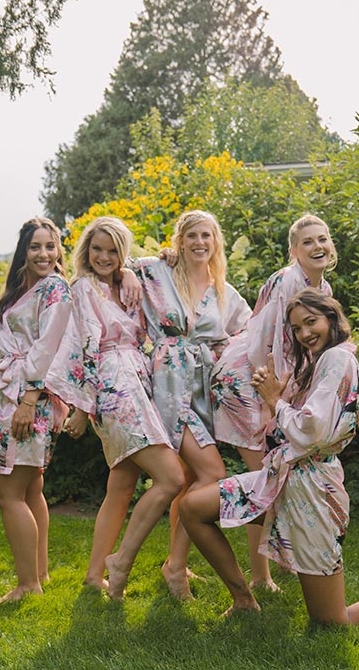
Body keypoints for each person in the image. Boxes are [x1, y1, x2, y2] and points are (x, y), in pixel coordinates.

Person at [181, 290, 359, 623]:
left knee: (332, 621)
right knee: (194, 507)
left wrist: (276, 401)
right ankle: (244, 599)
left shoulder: (338, 360)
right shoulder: (316, 363)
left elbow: (312, 430)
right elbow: (286, 432)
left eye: (310, 322)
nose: (304, 333)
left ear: (331, 317)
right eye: (297, 328)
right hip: (281, 478)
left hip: (312, 491)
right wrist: (274, 394)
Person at [59, 216, 186, 600]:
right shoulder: (82, 288)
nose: (104, 256)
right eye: (97, 248)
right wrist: (82, 407)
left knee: (122, 485)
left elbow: (166, 264)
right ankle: (121, 561)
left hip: (138, 377)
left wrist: (129, 271)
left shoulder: (127, 282)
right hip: (112, 386)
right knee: (172, 479)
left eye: (113, 250)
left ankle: (93, 576)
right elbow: (81, 345)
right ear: (86, 250)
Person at [210, 214, 336, 591]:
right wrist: (270, 404)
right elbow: (264, 343)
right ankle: (262, 577)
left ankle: (280, 560)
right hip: (247, 380)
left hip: (271, 385)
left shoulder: (322, 288)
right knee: (266, 480)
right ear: (294, 250)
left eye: (323, 239)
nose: (318, 247)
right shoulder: (286, 280)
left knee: (276, 476)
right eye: (308, 242)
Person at [131, 209, 251, 600]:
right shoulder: (157, 273)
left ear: (215, 242)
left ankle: (174, 561)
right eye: (192, 236)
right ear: (179, 240)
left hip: (204, 389)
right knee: (212, 472)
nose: (200, 243)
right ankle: (176, 568)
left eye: (207, 236)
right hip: (168, 386)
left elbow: (248, 332)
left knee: (188, 478)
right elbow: (114, 264)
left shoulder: (223, 291)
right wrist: (142, 268)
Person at [0, 217, 78, 603]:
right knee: (31, 486)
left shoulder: (55, 290)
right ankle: (39, 574)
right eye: (35, 246)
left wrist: (28, 400)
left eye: (50, 246)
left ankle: (27, 585)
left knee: (6, 491)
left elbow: (49, 348)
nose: (43, 254)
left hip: (30, 400)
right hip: (16, 397)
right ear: (23, 250)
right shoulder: (24, 291)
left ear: (59, 251)